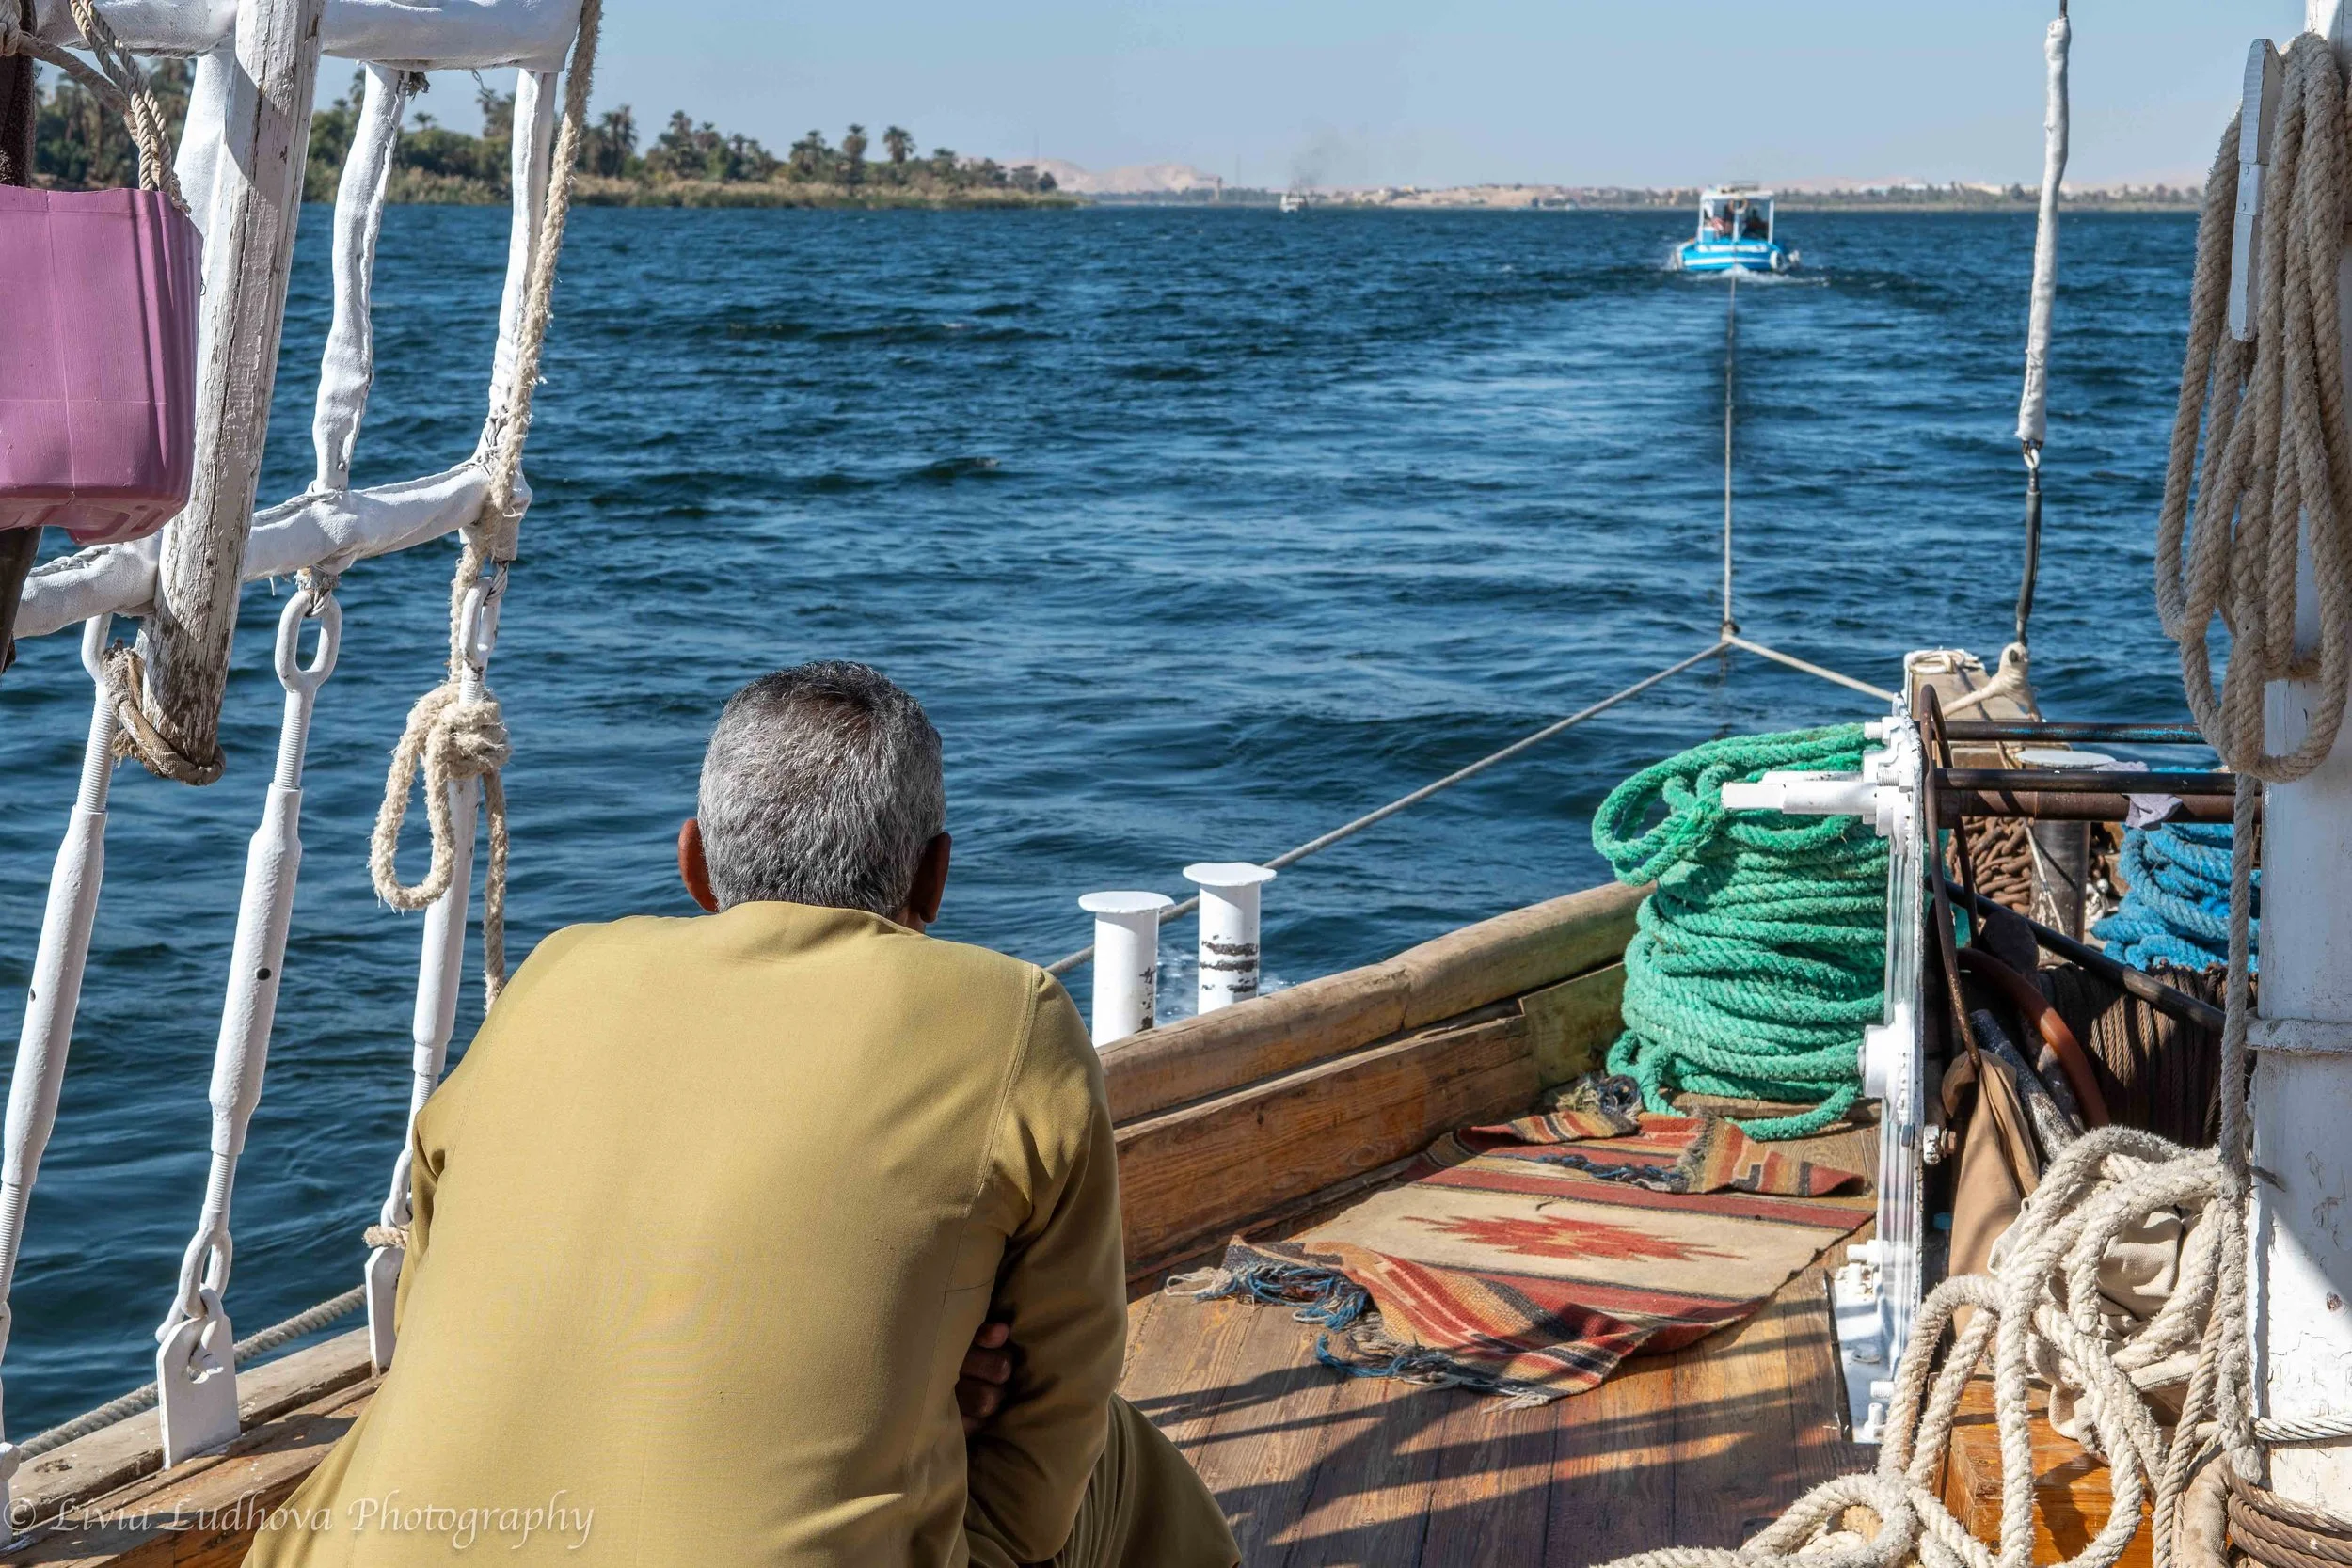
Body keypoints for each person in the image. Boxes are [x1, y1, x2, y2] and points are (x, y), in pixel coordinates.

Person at [248, 661, 1239, 1567]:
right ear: (933, 876)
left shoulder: (554, 975)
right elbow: (1049, 1419)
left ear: (695, 865)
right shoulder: (1011, 1016)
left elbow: (427, 1300)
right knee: (1112, 1459)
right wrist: (942, 1475)